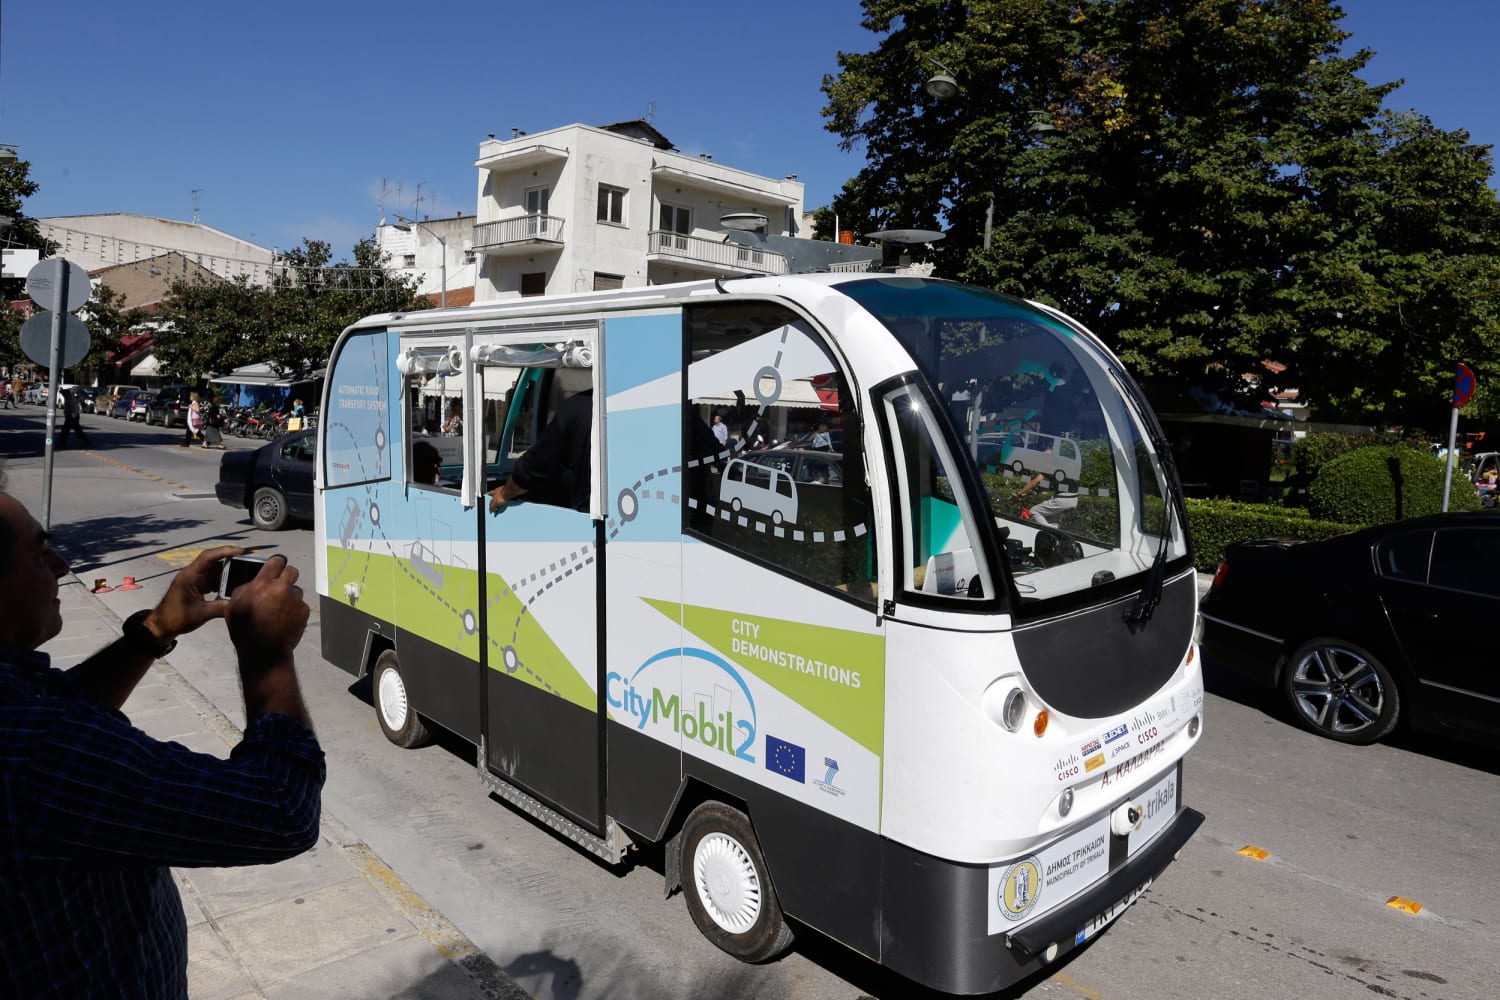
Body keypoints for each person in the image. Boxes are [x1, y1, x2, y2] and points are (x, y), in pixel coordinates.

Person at [0, 480, 324, 998]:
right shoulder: (37, 752)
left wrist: (154, 629)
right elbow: (281, 810)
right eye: (39, 555)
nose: (62, 565)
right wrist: (269, 655)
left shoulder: (22, 711)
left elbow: (60, 705)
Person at [488, 387, 593, 513]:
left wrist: (505, 493)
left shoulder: (578, 406)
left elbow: (539, 463)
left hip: (592, 518)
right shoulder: (618, 403)